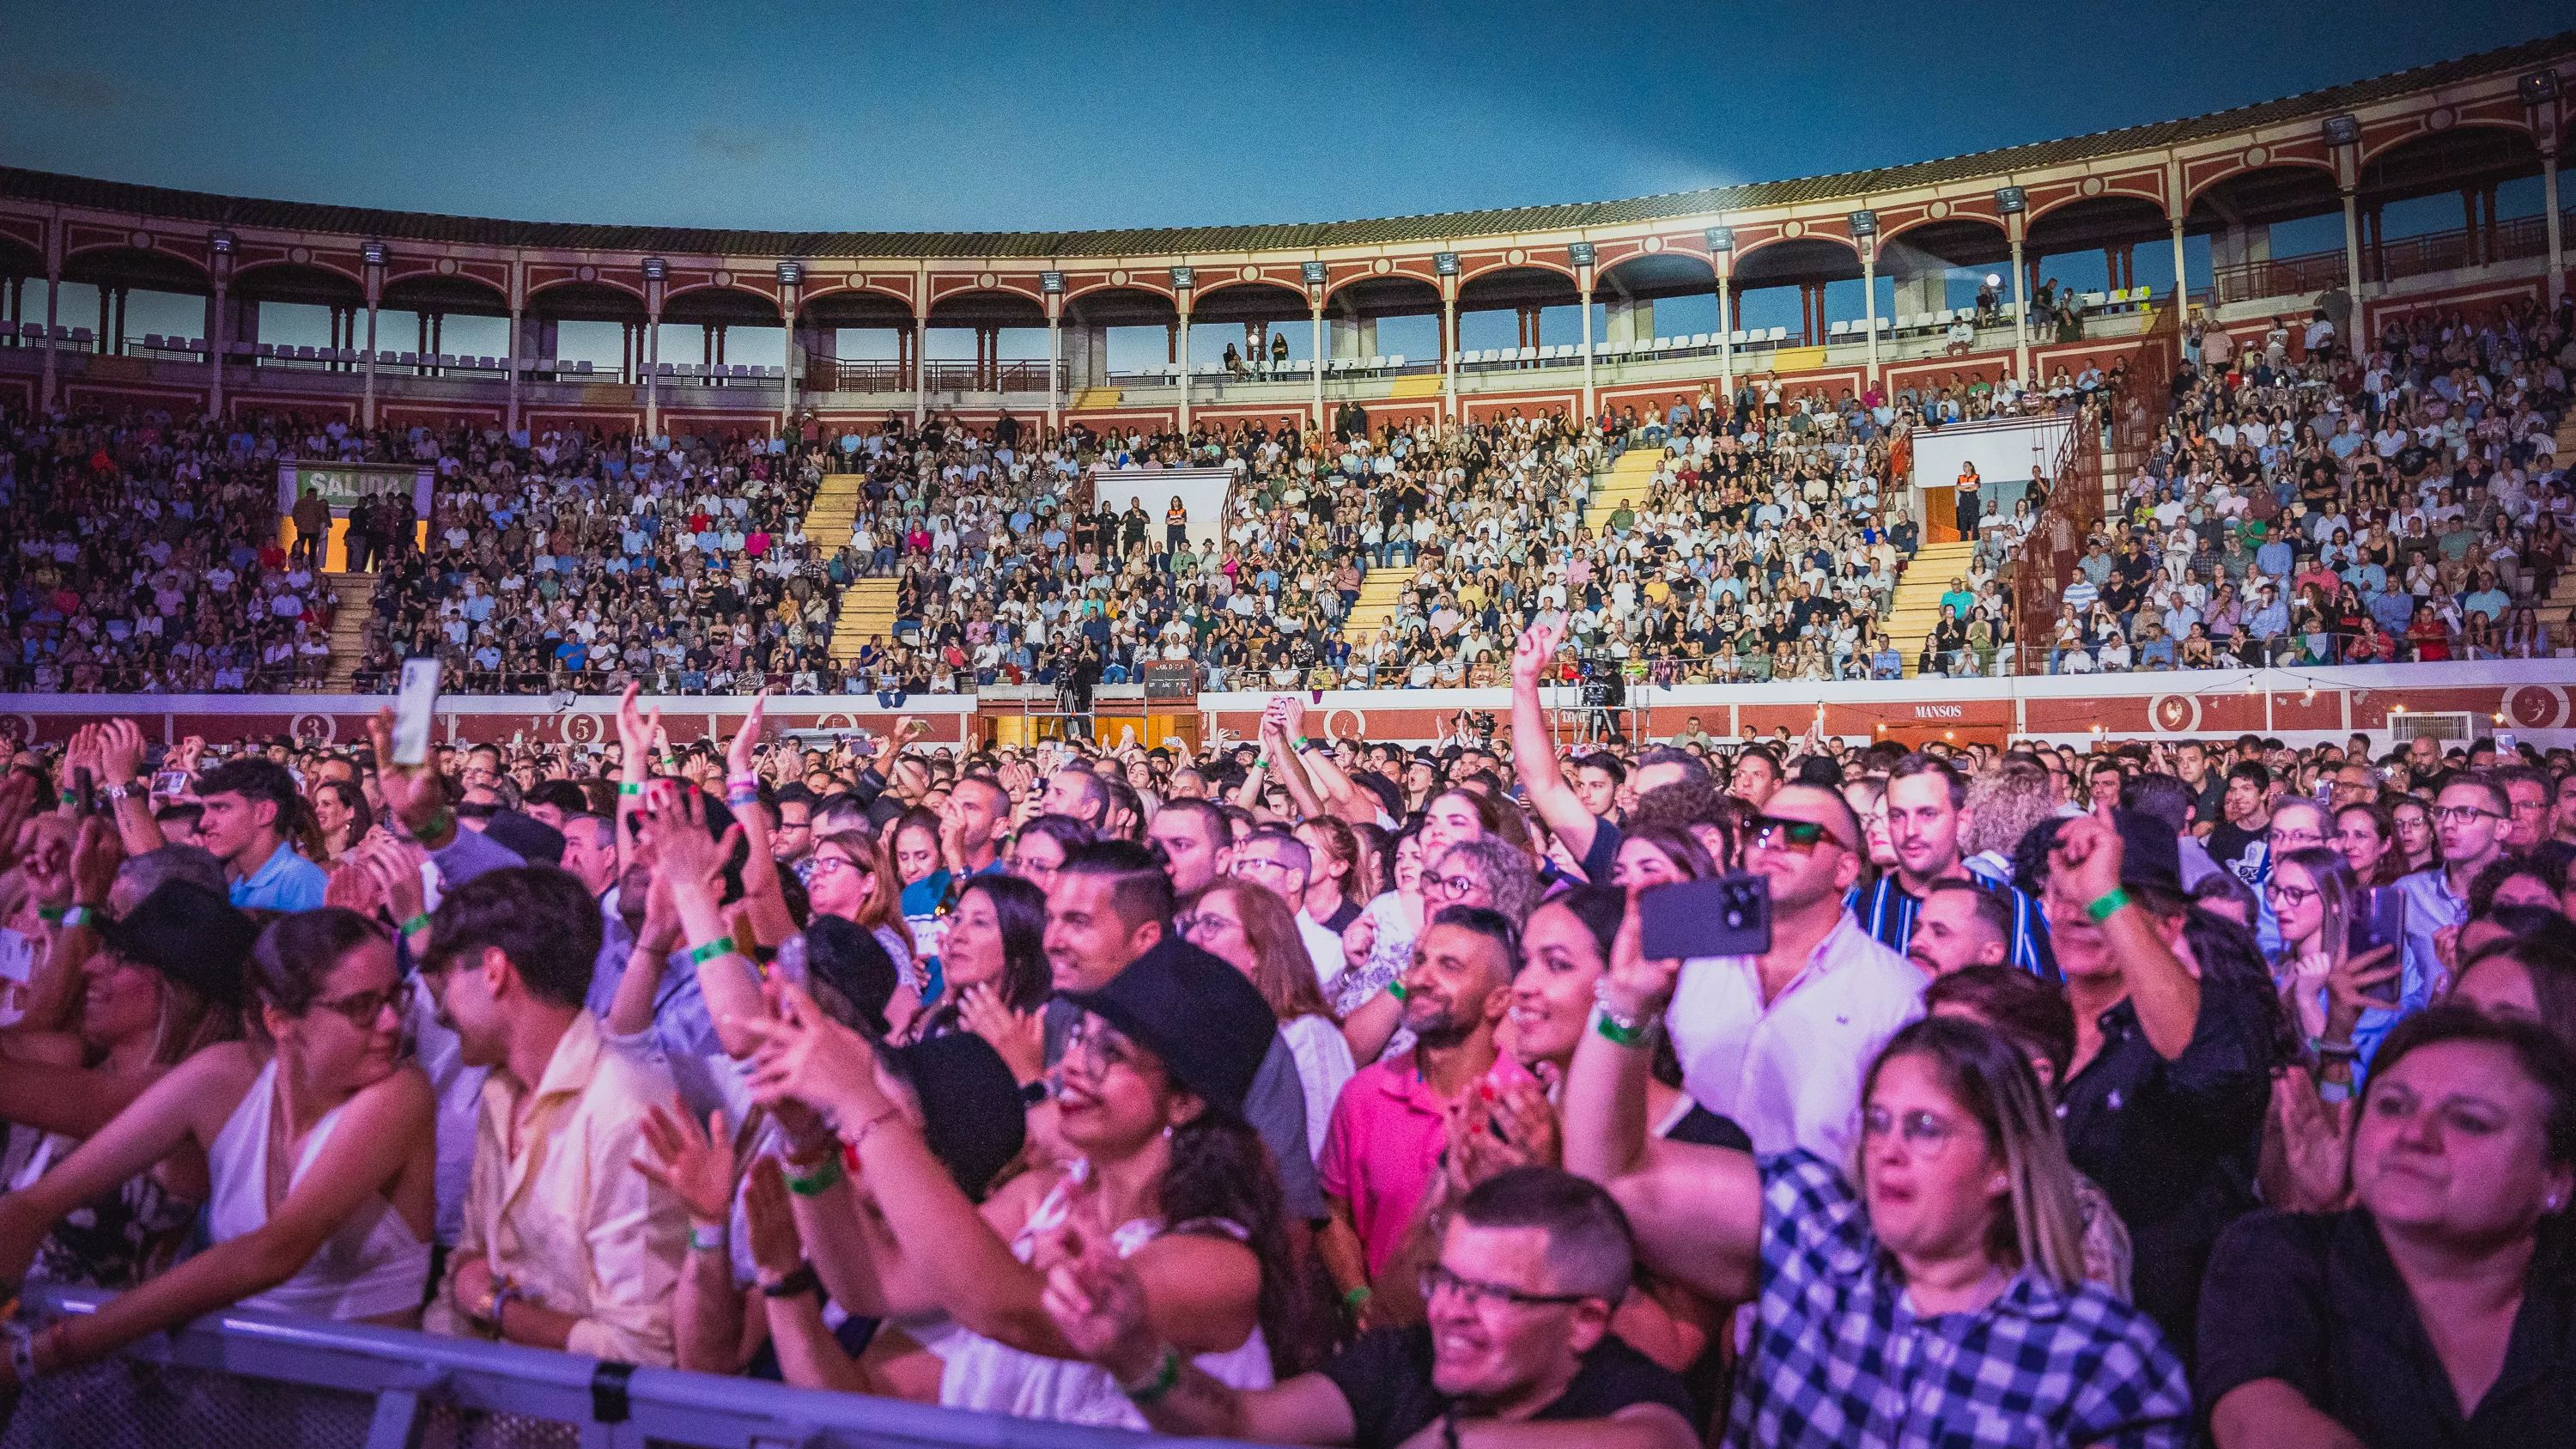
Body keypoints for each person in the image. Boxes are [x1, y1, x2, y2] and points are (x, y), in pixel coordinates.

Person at [1565, 980, 2190, 1446]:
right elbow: (1613, 1178)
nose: (1889, 1149)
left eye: (1924, 1127)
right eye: (1878, 1121)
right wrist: (1626, 1001)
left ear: (2002, 1161)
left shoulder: (2099, 1354)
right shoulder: (1814, 1235)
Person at [737, 935, 1324, 1428]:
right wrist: (808, 1137)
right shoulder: (1043, 1195)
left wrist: (864, 1101)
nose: (1072, 1064)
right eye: (1078, 1038)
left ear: (1184, 1102)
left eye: (1110, 1052)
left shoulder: (1219, 1261)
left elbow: (1010, 1310)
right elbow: (875, 1284)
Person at [0, 903, 437, 1389]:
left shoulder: (401, 1094)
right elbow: (39, 1201)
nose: (392, 1024)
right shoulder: (222, 1076)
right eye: (362, 1007)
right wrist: (24, 1216)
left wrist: (44, 1353)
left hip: (362, 1413)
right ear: (280, 1020)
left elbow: (273, 1252)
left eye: (395, 998)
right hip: (243, 1403)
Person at [1038, 1166, 1699, 1449]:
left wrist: (1458, 1439)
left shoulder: (1627, 1389)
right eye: (1448, 1280)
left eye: (1492, 1293)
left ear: (1584, 1320)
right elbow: (1241, 1418)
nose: (1451, 1312)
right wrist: (1133, 1352)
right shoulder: (1404, 1360)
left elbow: (1660, 1443)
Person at [2198, 1006, 2576, 1447]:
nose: (2413, 1135)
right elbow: (2256, 1424)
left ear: (2557, 1180)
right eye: (2392, 1106)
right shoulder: (2276, 1257)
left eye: (2469, 1120)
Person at [420, 866, 689, 1364]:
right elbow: (464, 1267)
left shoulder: (625, 1110)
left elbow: (642, 1351)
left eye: (451, 977)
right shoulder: (502, 1091)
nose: (442, 1009)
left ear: (495, 971)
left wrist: (496, 1307)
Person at [2047, 809, 2280, 1361]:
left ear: (2170, 925)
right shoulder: (2035, 1022)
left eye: (2106, 897)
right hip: (2044, 1344)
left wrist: (2105, 896)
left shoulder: (2222, 1014)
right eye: (2062, 894)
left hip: (2163, 1344)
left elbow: (2206, 1067)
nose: (2080, 912)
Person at [1662, 784, 1925, 1160]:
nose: (1775, 843)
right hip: (1683, 1206)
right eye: (1762, 829)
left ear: (1845, 869)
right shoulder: (1689, 961)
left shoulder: (1898, 996)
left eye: (1802, 834)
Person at [1320, 907, 1523, 1312]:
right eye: (1419, 960)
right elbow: (1333, 1213)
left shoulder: (1522, 1109)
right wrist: (1359, 1297)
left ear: (1498, 1000)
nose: (1422, 978)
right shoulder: (1365, 1094)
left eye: (1449, 966)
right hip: (1384, 1342)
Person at [1182, 879, 1356, 1161]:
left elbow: (1320, 1154)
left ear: (1257, 950)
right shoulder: (1204, 1026)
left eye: (1212, 924)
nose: (1192, 937)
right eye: (1193, 923)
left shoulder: (1306, 1034)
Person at [1858, 753, 2054, 978]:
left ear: (1962, 822)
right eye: (1897, 816)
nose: (1910, 830)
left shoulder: (2016, 910)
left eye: (1927, 814)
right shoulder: (1857, 909)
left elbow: (2049, 1003)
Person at [192, 757, 329, 911]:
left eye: (221, 807)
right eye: (205, 810)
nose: (203, 823)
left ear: (265, 813)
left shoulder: (301, 882)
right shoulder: (237, 884)